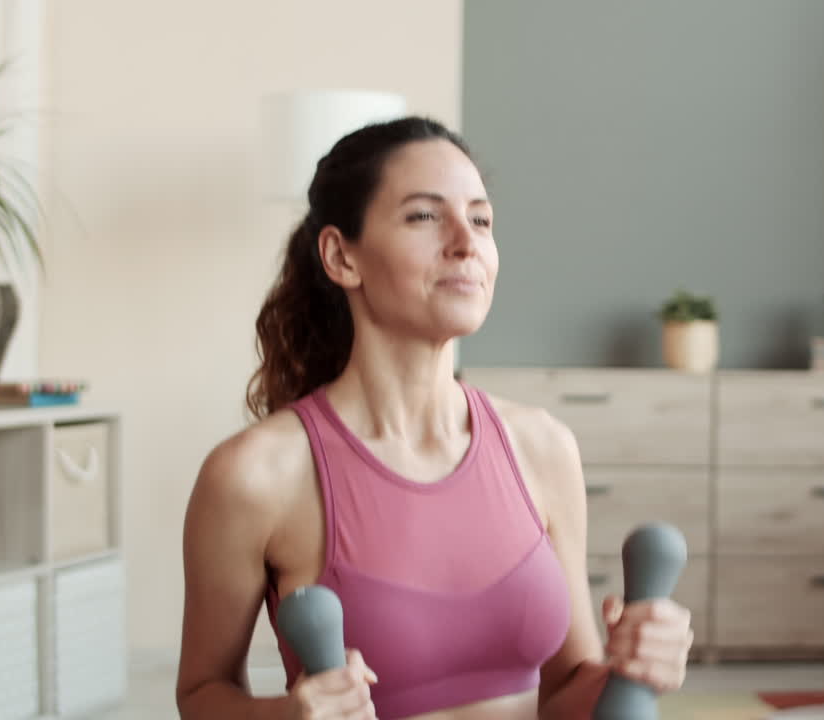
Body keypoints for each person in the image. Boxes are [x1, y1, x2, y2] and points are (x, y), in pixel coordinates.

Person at [175, 116, 693, 720]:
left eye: (481, 219)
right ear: (342, 257)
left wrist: (635, 668)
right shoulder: (256, 475)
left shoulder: (543, 447)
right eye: (425, 216)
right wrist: (288, 717)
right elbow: (201, 696)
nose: (465, 242)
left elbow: (564, 692)